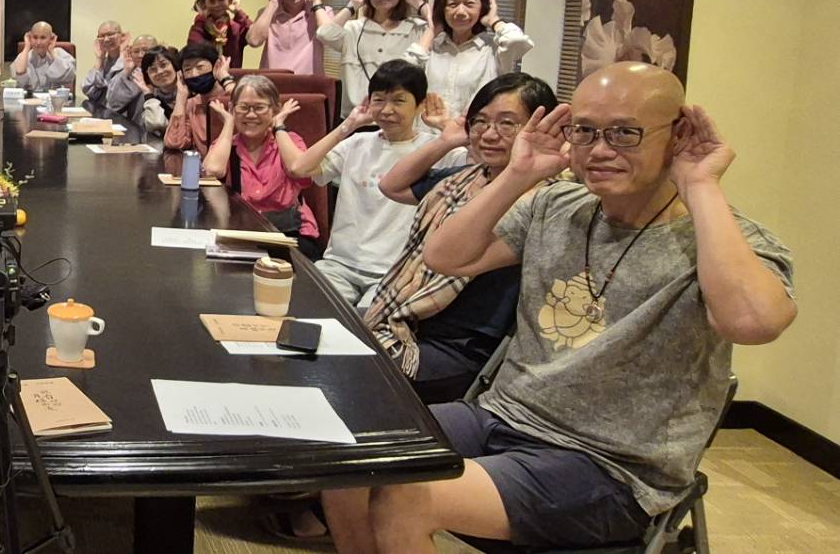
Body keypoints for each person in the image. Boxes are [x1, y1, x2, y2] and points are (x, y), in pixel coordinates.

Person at [324, 63, 795, 554]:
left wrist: (701, 185)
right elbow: (445, 257)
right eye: (585, 131)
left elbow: (751, 323)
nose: (600, 149)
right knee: (345, 448)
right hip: (503, 417)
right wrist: (520, 173)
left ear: (678, 135)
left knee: (406, 496)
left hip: (610, 465)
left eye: (625, 133)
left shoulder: (724, 237)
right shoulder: (556, 206)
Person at [364, 73, 560, 404]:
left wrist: (521, 171)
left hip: (460, 348)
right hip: (406, 323)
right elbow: (392, 185)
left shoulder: (546, 202)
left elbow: (442, 257)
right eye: (480, 121)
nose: (489, 134)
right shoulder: (467, 178)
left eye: (507, 123)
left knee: (353, 371)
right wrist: (446, 141)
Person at [289, 62, 444, 306]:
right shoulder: (357, 142)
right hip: (339, 264)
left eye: (399, 101)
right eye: (379, 100)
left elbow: (482, 169)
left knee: (365, 324)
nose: (387, 110)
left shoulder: (435, 149)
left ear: (420, 105)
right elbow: (300, 168)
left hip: (394, 271)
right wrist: (348, 126)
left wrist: (445, 127)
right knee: (302, 307)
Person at [184, 72, 323, 260]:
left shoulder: (290, 141)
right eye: (243, 107)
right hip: (241, 233)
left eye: (259, 108)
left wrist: (279, 126)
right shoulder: (228, 145)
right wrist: (229, 123)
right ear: (232, 109)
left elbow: (297, 170)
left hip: (288, 234)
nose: (250, 115)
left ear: (275, 109)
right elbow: (212, 170)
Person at [407, 0, 535, 119]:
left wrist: (493, 20)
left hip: (471, 133)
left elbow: (516, 40)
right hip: (428, 131)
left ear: (483, 8)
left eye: (469, 4)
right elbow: (402, 77)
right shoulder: (431, 46)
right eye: (452, 4)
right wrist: (433, 28)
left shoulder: (494, 50)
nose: (460, 12)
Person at [317, 0, 430, 114]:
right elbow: (325, 34)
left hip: (400, 118)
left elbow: (437, 26)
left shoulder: (417, 29)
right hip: (356, 117)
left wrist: (420, 4)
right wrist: (352, 6)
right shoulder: (353, 29)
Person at [246, 0, 335, 74]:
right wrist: (273, 3)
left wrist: (315, 1)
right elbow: (254, 41)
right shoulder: (268, 13)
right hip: (271, 83)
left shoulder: (322, 12)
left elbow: (331, 38)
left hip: (309, 84)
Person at [185, 0, 252, 67]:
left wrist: (238, 12)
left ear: (229, 0)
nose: (217, 4)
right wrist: (202, 17)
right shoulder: (200, 26)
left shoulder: (235, 27)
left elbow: (254, 37)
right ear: (203, 3)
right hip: (207, 75)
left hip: (231, 75)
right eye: (211, 1)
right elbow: (194, 47)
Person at [9, 21, 77, 92]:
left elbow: (70, 76)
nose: (38, 42)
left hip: (56, 98)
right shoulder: (25, 55)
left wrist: (52, 52)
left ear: (51, 38)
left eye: (43, 38)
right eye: (35, 37)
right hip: (30, 98)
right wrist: (27, 47)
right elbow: (19, 71)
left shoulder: (60, 53)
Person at [105, 34, 157, 122]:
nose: (140, 55)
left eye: (146, 50)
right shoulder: (130, 72)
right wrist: (126, 72)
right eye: (136, 51)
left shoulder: (160, 74)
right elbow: (112, 104)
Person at [133, 46, 182, 134]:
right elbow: (156, 124)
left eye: (163, 65)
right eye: (153, 69)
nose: (159, 71)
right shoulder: (152, 99)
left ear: (174, 65)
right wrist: (147, 93)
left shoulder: (190, 93)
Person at [80, 21, 127, 114]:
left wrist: (122, 56)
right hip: (103, 113)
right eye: (101, 36)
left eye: (110, 34)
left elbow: (115, 95)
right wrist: (99, 59)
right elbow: (88, 91)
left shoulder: (129, 61)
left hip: (123, 115)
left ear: (122, 36)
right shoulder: (103, 62)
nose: (106, 39)